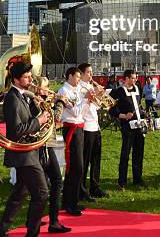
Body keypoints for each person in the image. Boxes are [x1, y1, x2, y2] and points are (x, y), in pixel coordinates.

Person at [0, 62, 50, 237]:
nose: (31, 79)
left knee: (20, 194)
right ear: (16, 79)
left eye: (30, 75)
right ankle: (32, 233)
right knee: (41, 194)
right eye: (26, 77)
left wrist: (41, 103)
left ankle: (1, 231)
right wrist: (39, 121)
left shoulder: (22, 95)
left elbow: (29, 119)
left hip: (28, 153)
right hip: (24, 155)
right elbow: (15, 131)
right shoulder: (11, 98)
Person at [35, 77, 71, 234]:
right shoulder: (37, 102)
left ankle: (41, 220)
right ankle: (51, 221)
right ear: (38, 88)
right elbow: (56, 118)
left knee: (45, 184)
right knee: (53, 182)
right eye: (45, 86)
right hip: (42, 146)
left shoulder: (42, 100)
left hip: (46, 144)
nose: (49, 88)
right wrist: (60, 103)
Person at [58, 67, 96, 215]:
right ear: (70, 76)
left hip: (79, 128)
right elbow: (74, 112)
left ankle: (70, 201)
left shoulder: (75, 91)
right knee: (76, 166)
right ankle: (70, 203)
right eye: (77, 77)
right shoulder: (63, 92)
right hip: (72, 129)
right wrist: (86, 100)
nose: (79, 80)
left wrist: (89, 102)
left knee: (76, 167)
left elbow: (82, 113)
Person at [110, 69, 145, 190]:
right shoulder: (118, 91)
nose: (135, 80)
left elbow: (138, 104)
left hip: (139, 125)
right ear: (126, 78)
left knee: (138, 153)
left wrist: (143, 113)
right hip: (127, 127)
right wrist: (123, 116)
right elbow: (111, 109)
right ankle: (122, 181)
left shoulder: (137, 89)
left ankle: (137, 178)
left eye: (136, 78)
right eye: (133, 78)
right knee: (125, 154)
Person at [78, 63, 108, 201]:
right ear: (82, 74)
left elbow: (97, 106)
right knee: (85, 160)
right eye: (89, 72)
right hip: (86, 127)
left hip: (95, 126)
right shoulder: (79, 88)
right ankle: (82, 190)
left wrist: (100, 95)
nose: (91, 75)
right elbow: (80, 107)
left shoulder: (90, 87)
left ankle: (95, 186)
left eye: (91, 72)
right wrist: (90, 96)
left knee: (96, 159)